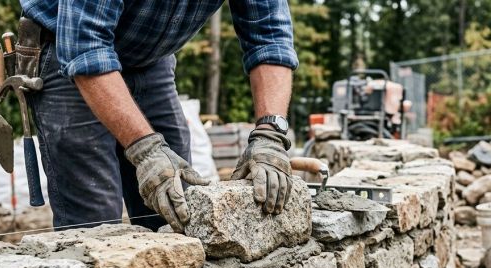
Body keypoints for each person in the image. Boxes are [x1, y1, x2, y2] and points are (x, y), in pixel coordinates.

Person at [21, 0, 298, 232]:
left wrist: (270, 135)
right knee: (96, 223)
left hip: (150, 59)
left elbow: (270, 35)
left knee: (177, 205)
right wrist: (145, 150)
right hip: (68, 49)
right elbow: (85, 44)